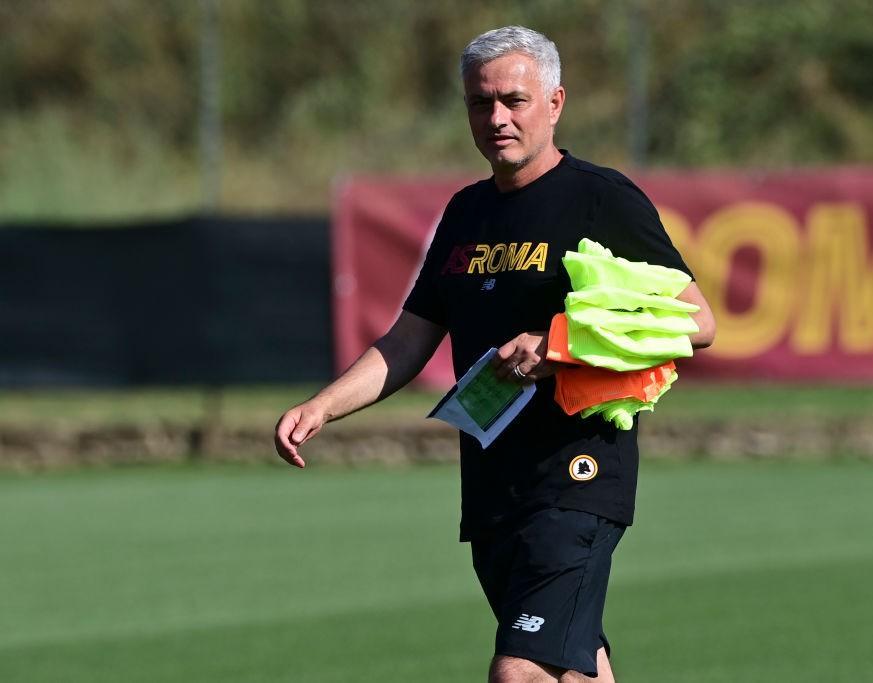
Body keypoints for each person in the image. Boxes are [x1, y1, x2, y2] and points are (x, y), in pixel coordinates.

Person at [275, 25, 716, 683]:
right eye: (481, 103)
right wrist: (324, 404)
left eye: (514, 100)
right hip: (492, 481)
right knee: (575, 668)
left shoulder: (601, 197)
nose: (497, 118)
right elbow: (409, 337)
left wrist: (557, 346)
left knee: (520, 669)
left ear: (555, 103)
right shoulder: (466, 213)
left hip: (577, 473)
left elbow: (695, 320)